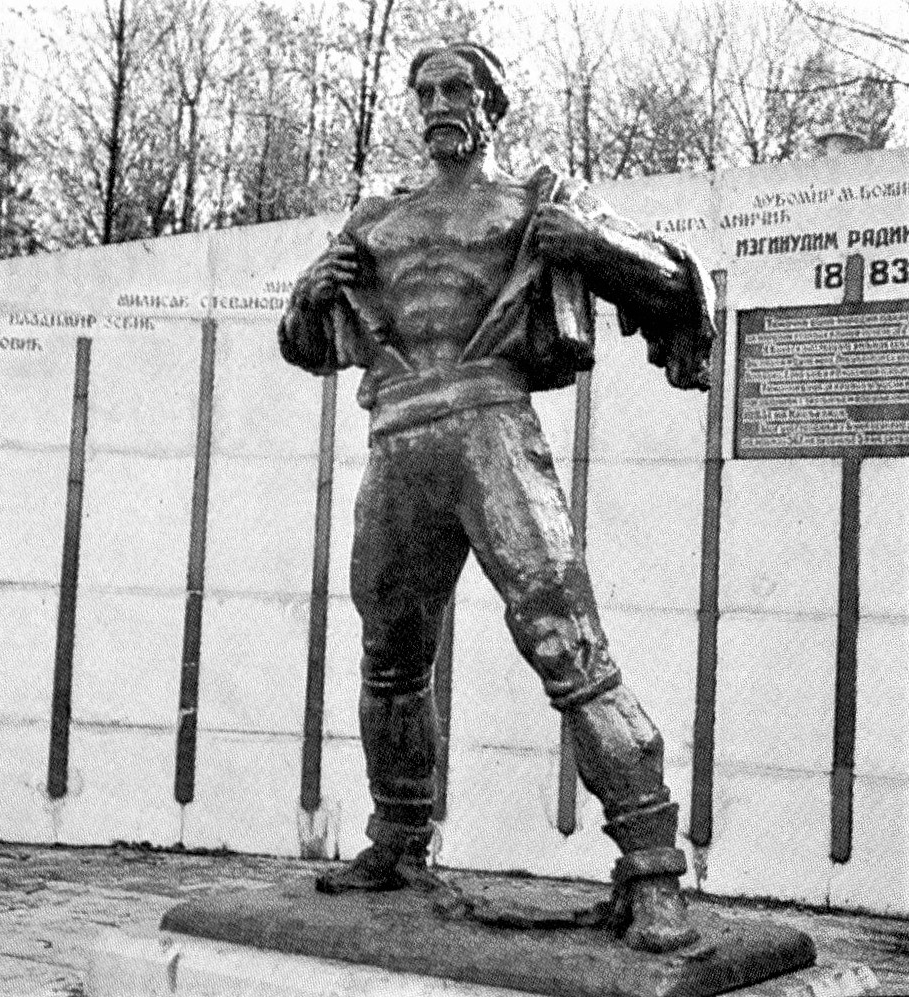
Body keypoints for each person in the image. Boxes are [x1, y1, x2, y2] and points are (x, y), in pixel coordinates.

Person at [278, 42, 714, 954]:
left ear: (490, 104)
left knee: (569, 647)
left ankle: (653, 869)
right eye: (426, 91)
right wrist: (304, 299)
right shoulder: (376, 217)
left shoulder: (534, 201)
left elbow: (675, 281)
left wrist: (591, 245)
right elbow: (305, 345)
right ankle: (397, 838)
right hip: (398, 437)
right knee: (390, 657)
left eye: (457, 88)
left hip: (491, 429)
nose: (440, 103)